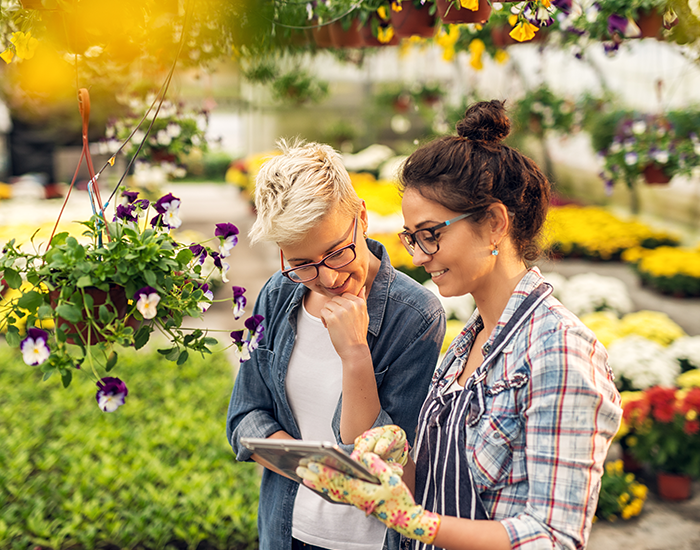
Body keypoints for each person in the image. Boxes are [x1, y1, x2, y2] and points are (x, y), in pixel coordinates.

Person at [297, 100, 623, 550]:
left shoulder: (559, 352)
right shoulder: (467, 344)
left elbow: (554, 536)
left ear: (494, 224)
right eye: (411, 237)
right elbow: (433, 492)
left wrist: (416, 523)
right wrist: (395, 457)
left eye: (431, 234)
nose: (417, 255)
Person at [226, 140, 446, 550]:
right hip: (284, 531)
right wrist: (316, 472)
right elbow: (244, 417)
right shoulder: (278, 295)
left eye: (336, 253)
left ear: (361, 217)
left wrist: (355, 354)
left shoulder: (414, 316)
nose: (327, 278)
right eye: (302, 264)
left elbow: (380, 462)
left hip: (370, 540)